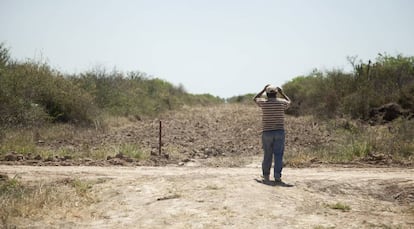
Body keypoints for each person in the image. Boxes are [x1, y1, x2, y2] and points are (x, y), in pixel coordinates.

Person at [253, 84, 291, 183]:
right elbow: (289, 101)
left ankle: (266, 176)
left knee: (267, 155)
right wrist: (282, 93)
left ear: (267, 94)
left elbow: (255, 98)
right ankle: (277, 176)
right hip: (279, 131)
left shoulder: (264, 103)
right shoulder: (282, 103)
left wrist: (263, 89)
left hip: (267, 132)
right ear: (276, 93)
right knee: (278, 155)